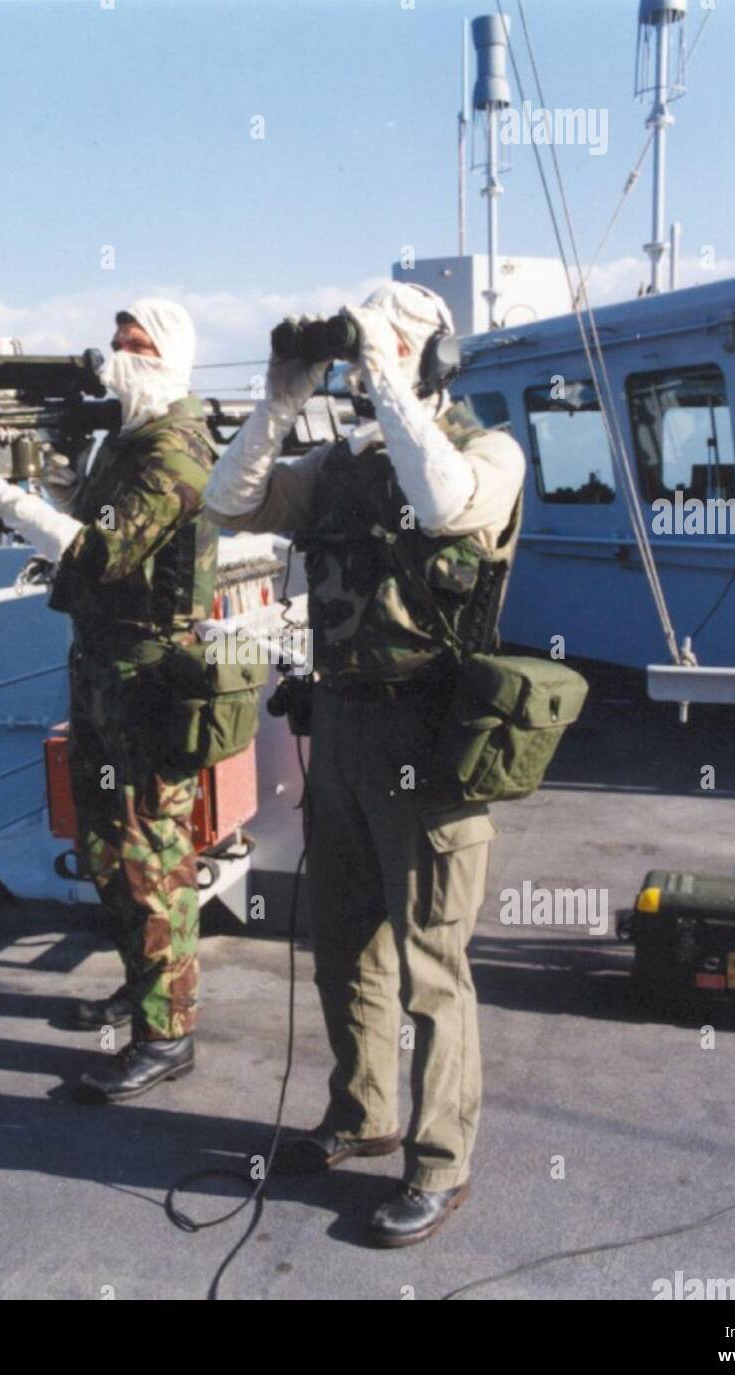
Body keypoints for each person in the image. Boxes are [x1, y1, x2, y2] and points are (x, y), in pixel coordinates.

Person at [203, 283, 526, 1247]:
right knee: (343, 944)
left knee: (431, 965)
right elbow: (228, 503)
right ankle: (361, 1112)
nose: (366, 358)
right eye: (364, 342)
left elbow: (442, 505)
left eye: (393, 342)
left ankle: (439, 1163)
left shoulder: (488, 454)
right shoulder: (339, 468)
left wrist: (386, 369)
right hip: (342, 728)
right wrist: (280, 397)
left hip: (429, 734)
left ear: (436, 357)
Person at [0, 299, 218, 1102]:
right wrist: (57, 479)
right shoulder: (128, 439)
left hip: (148, 673)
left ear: (171, 357)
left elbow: (102, 553)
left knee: (149, 853)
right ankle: (144, 987)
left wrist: (2, 498)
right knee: (106, 847)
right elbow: (88, 518)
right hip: (103, 663)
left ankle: (168, 1035)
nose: (120, 355)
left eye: (138, 344)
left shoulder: (176, 448)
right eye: (117, 341)